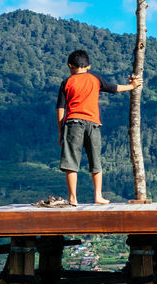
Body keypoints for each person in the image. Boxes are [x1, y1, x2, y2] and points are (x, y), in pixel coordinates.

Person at [56, 49, 140, 205]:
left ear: (70, 66)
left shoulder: (66, 82)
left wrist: (61, 131)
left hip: (73, 122)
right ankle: (98, 196)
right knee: (95, 160)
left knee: (71, 162)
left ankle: (73, 198)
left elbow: (60, 108)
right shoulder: (95, 79)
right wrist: (132, 86)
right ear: (88, 66)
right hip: (93, 124)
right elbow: (114, 88)